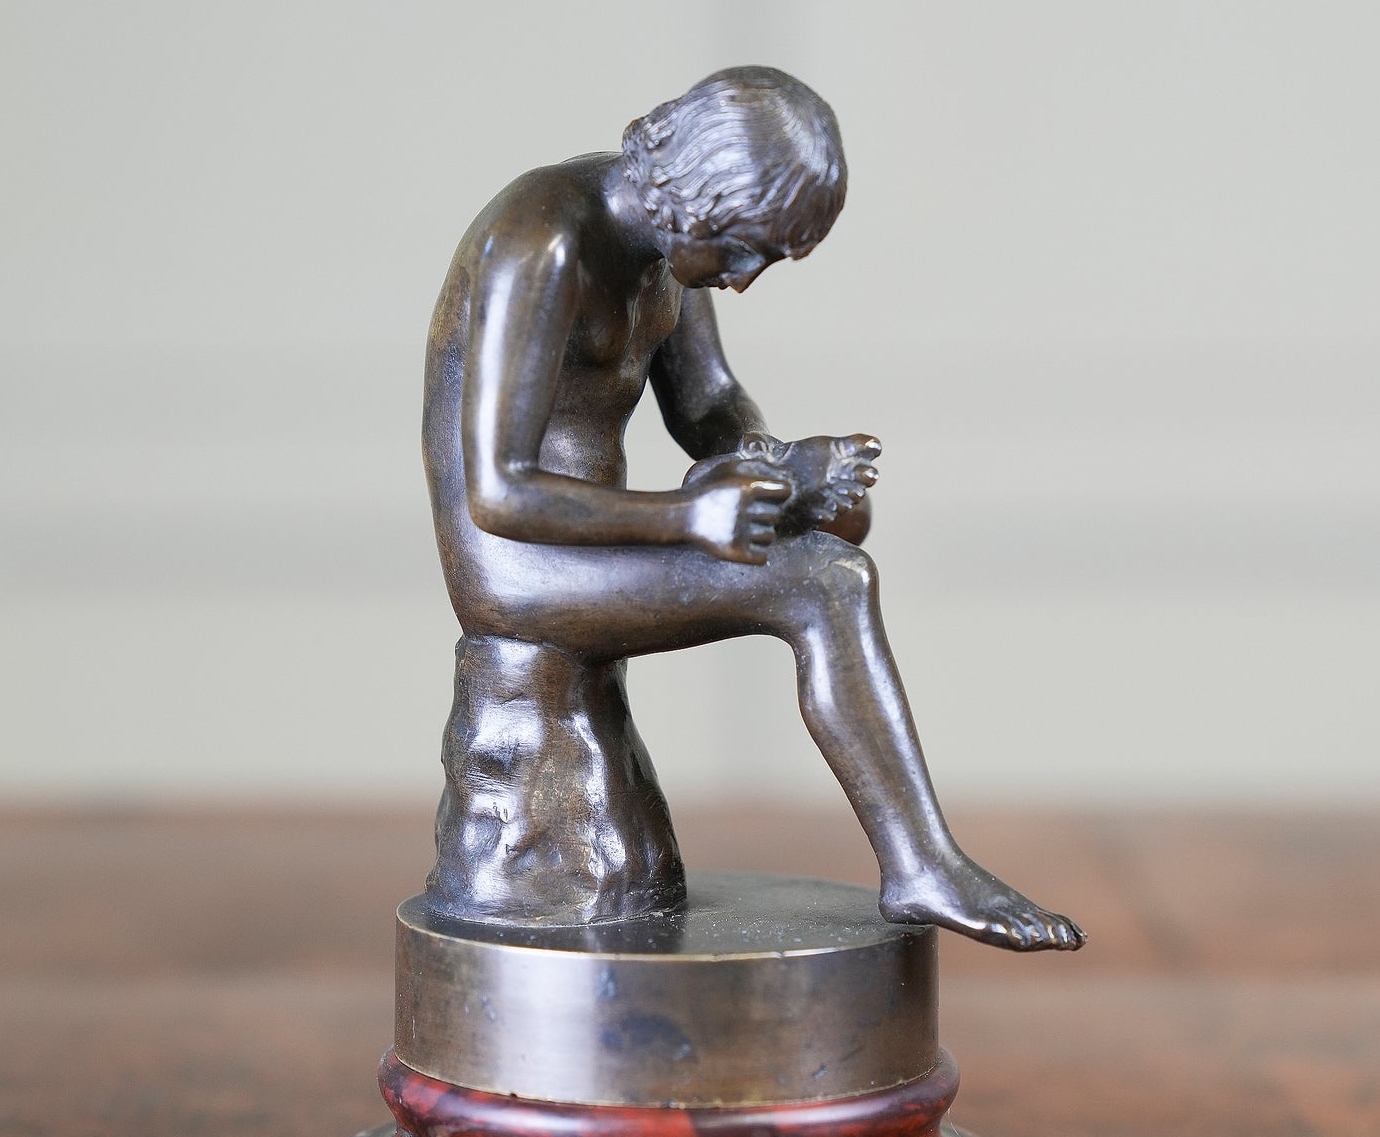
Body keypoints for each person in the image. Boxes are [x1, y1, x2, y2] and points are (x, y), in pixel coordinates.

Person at [422, 66, 1084, 951]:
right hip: (517, 566)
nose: (742, 279)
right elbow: (498, 492)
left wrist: (779, 471)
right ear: (694, 204)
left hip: (601, 539)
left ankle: (925, 861)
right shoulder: (541, 244)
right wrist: (687, 519)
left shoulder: (668, 246)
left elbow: (708, 403)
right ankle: (922, 865)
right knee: (825, 584)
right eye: (743, 252)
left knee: (831, 553)